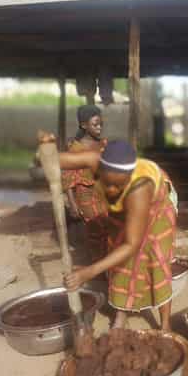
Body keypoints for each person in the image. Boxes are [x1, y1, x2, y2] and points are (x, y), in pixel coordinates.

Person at [39, 136, 178, 332]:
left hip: (156, 212)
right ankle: (121, 313)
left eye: (118, 185)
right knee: (119, 265)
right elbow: (52, 159)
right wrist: (45, 152)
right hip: (124, 209)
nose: (111, 189)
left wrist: (87, 272)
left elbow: (132, 245)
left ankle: (165, 325)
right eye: (108, 183)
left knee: (155, 263)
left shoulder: (140, 188)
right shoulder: (95, 160)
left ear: (129, 177)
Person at [61, 105, 108, 262]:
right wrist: (73, 205)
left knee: (109, 228)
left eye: (101, 123)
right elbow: (68, 177)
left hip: (104, 192)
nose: (99, 127)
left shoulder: (103, 144)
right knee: (95, 230)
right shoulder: (76, 148)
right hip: (86, 194)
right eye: (95, 124)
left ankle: (108, 265)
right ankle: (98, 265)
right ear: (83, 125)